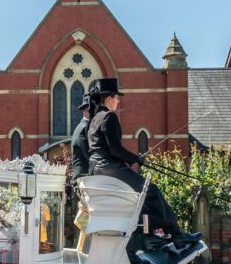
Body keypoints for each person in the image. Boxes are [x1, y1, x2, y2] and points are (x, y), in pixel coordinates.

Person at [86, 78, 201, 248]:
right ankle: (175, 234)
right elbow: (115, 150)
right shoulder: (109, 117)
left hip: (99, 167)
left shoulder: (95, 118)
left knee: (140, 198)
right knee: (150, 191)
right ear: (109, 98)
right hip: (107, 166)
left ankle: (152, 234)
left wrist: (132, 159)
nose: (118, 101)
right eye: (116, 97)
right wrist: (136, 158)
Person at [71, 94, 92, 180]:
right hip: (82, 177)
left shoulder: (84, 126)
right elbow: (89, 154)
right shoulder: (84, 128)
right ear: (85, 111)